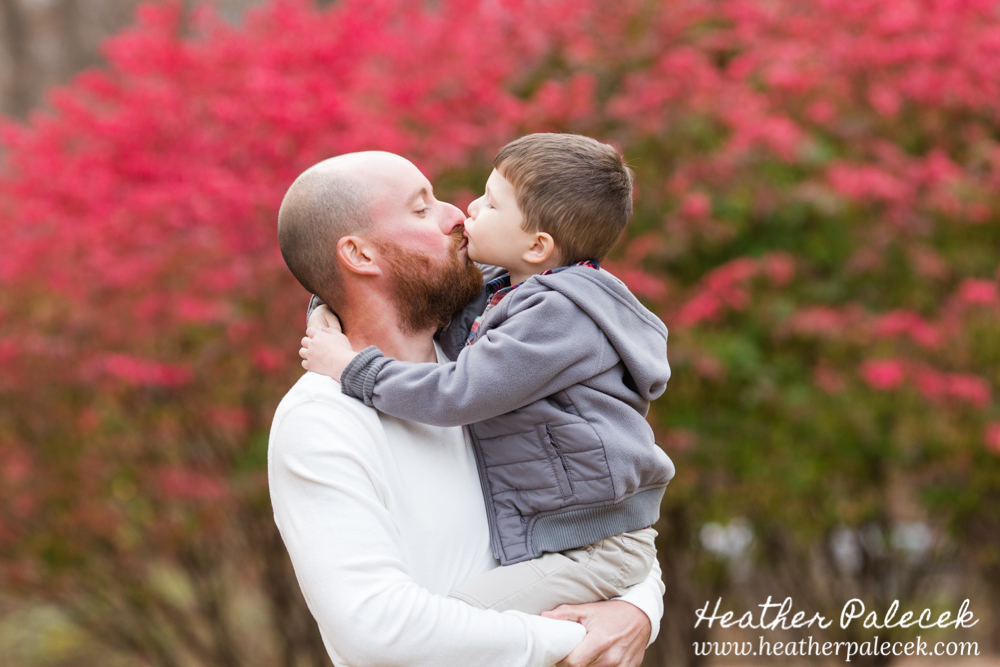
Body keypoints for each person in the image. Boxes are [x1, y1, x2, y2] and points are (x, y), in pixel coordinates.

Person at [270, 149, 665, 667]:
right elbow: (376, 631)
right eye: (421, 209)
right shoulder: (323, 419)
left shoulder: (484, 368)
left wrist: (638, 610)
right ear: (360, 256)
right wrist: (576, 642)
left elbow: (602, 520)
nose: (458, 214)